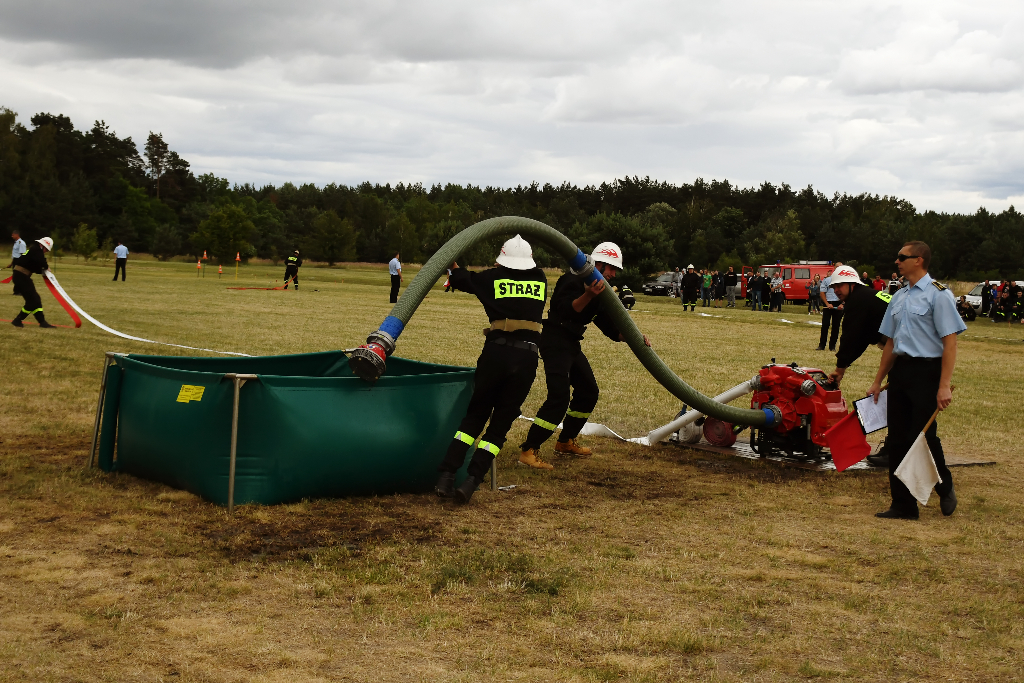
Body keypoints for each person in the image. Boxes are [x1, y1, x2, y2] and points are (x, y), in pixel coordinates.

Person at [433, 235, 549, 504]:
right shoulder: (541, 279)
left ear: (502, 259)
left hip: (496, 353)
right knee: (499, 426)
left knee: (474, 417)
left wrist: (450, 260)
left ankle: (447, 475)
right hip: (527, 357)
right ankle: (473, 481)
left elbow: (461, 278)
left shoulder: (491, 279)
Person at [519, 242, 650, 466]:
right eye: (610, 268)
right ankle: (529, 450)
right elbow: (566, 310)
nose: (613, 274)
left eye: (615, 270)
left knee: (588, 392)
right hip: (555, 340)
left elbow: (608, 327)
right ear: (597, 264)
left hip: (570, 343)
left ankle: (565, 441)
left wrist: (631, 337)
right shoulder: (570, 280)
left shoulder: (599, 291)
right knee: (559, 398)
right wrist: (588, 295)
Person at [867, 240, 964, 520]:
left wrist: (944, 384)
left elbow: (950, 343)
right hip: (901, 373)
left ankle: (944, 486)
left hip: (927, 372)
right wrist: (877, 380)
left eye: (902, 257)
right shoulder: (898, 296)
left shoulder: (939, 295)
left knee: (921, 437)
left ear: (919, 260)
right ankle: (903, 505)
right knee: (896, 440)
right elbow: (889, 344)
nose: (897, 262)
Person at [10, 237, 55, 328]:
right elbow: (41, 261)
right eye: (46, 249)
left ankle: (42, 322)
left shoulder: (34, 251)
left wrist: (43, 271)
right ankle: (18, 320)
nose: (46, 251)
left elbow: (35, 267)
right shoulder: (36, 250)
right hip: (21, 276)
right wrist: (46, 267)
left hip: (21, 276)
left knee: (35, 299)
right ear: (42, 245)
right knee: (33, 300)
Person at [818, 263, 844, 350]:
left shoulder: (845, 282)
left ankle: (832, 346)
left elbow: (848, 294)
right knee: (825, 325)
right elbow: (822, 293)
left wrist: (842, 304)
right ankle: (822, 345)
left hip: (838, 304)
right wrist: (827, 304)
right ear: (834, 268)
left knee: (836, 326)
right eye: (837, 267)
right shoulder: (827, 280)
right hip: (828, 304)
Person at [7, 229, 27, 295]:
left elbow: (22, 254)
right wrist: (11, 263)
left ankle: (19, 291)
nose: (12, 236)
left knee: (18, 276)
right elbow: (15, 255)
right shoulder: (16, 243)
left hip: (19, 261)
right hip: (15, 260)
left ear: (17, 235)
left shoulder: (21, 243)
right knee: (15, 277)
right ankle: (16, 291)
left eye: (13, 235)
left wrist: (21, 264)